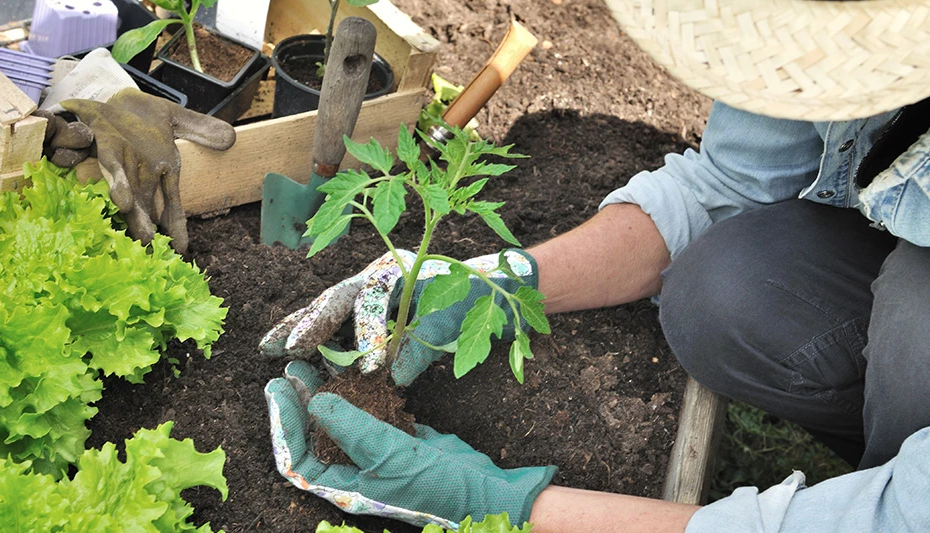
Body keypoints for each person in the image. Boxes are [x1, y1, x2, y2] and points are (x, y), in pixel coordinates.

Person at [263, 1, 930, 531]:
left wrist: (499, 502)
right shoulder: (813, 24)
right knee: (720, 289)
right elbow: (724, 189)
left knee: (917, 329)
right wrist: (495, 283)